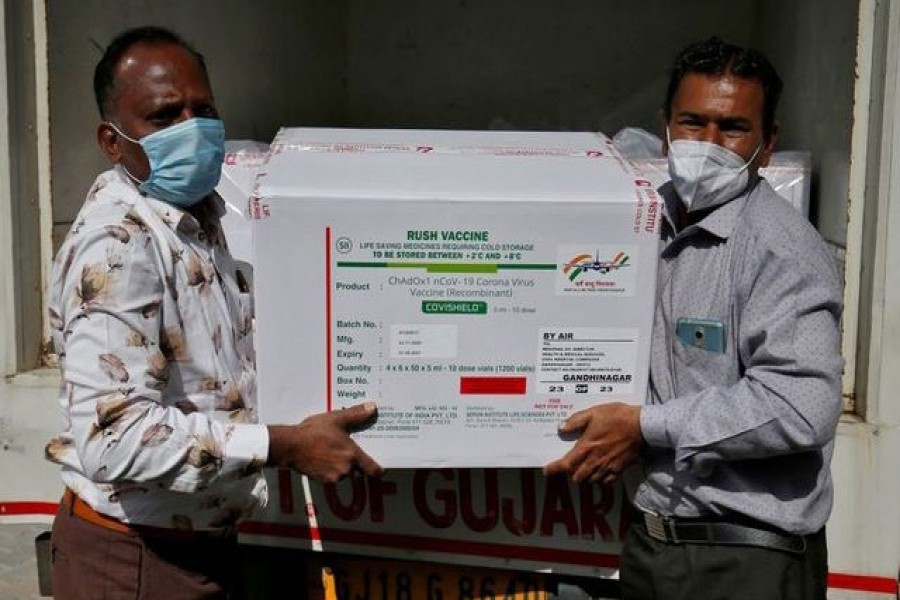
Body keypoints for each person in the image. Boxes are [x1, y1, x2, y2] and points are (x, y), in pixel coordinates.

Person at [44, 25, 382, 599]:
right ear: (112, 139)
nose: (191, 129)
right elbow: (116, 438)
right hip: (135, 559)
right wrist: (284, 444)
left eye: (203, 109)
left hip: (194, 546)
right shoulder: (120, 245)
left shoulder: (202, 221)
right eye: (164, 115)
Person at [545, 37, 843, 600]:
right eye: (692, 123)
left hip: (745, 559)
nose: (709, 144)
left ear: (768, 142)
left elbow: (802, 406)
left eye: (732, 128)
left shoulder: (781, 249)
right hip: (654, 542)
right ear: (665, 128)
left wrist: (642, 426)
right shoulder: (637, 223)